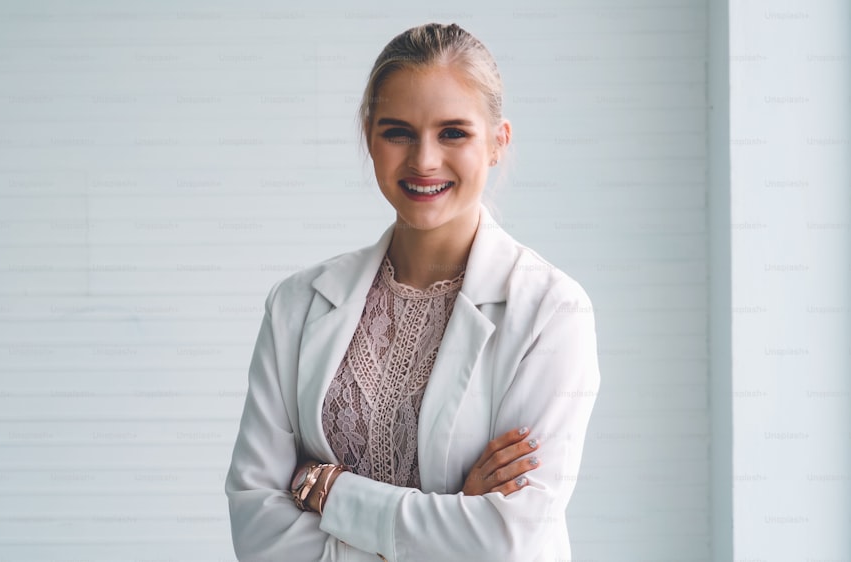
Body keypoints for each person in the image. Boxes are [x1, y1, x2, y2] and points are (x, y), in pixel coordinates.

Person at [225, 22, 601, 562]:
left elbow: (508, 539)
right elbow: (257, 531)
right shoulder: (296, 304)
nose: (424, 160)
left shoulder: (551, 312)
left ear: (498, 142)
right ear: (368, 135)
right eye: (398, 131)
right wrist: (451, 520)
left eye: (454, 133)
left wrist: (330, 492)